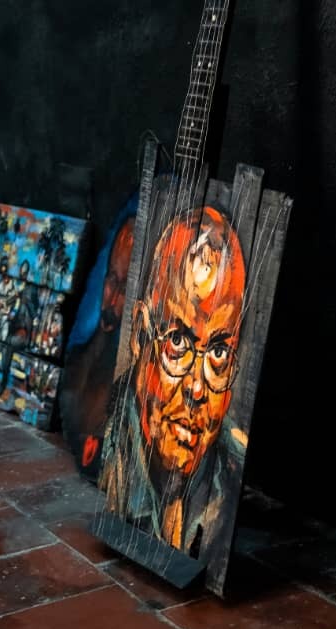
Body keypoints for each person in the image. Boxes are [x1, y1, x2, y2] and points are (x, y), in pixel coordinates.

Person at [100, 205, 247, 562]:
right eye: (178, 342)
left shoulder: (231, 471)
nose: (196, 389)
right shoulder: (112, 448)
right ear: (140, 335)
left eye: (218, 353)